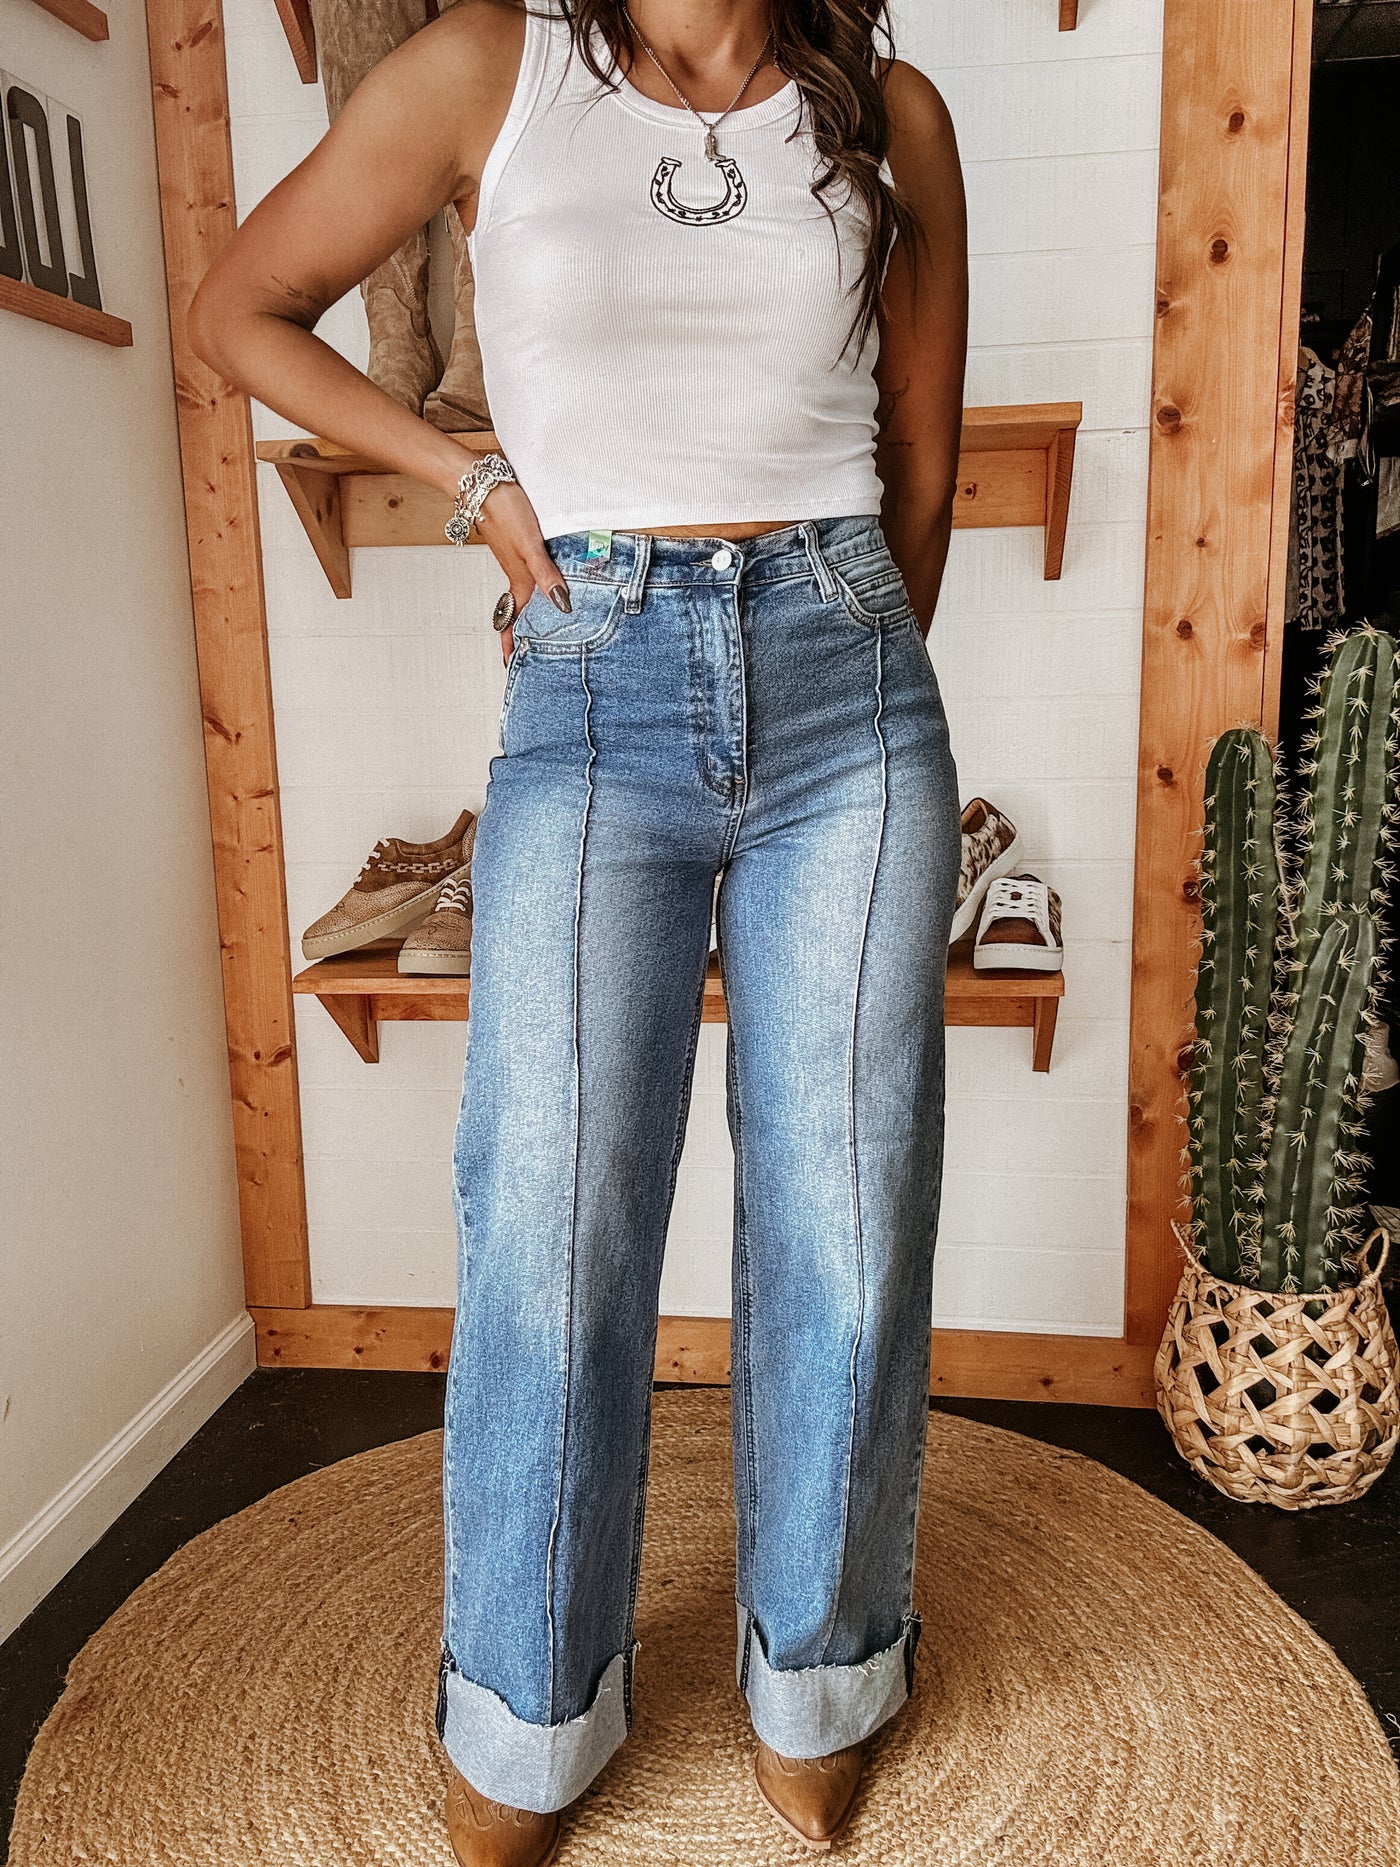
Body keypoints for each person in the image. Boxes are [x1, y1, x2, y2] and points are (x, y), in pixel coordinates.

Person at [189, 1, 967, 1859]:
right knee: (549, 1221)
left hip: (850, 688)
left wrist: (854, 664)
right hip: (594, 680)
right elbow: (240, 309)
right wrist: (475, 485)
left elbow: (921, 465)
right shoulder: (492, 69)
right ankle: (527, 1714)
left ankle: (823, 1675)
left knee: (852, 1222)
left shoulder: (891, 109)